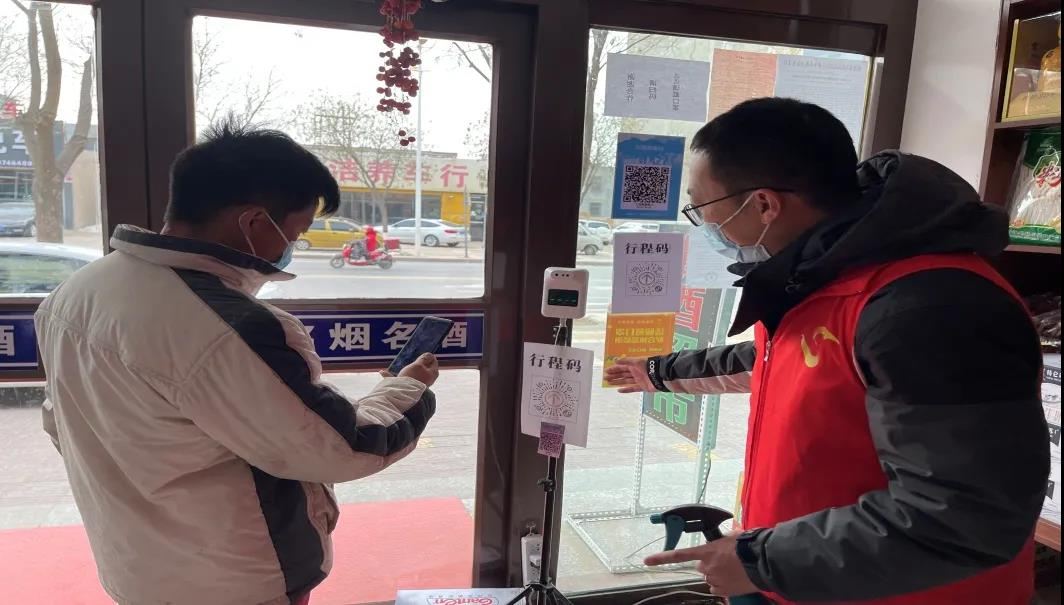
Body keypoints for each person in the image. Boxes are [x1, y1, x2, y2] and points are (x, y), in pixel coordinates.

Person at [606, 97, 1049, 604]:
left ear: (764, 204)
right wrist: (659, 372)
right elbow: (777, 360)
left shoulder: (930, 306)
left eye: (702, 209)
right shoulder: (822, 275)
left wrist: (758, 560)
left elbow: (962, 516)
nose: (705, 226)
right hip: (812, 579)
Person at [34, 120, 439, 605]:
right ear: (253, 222)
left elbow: (60, 424)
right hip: (234, 579)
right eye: (295, 232)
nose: (292, 247)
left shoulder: (73, 295)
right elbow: (339, 446)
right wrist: (408, 387)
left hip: (134, 565)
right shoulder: (229, 325)